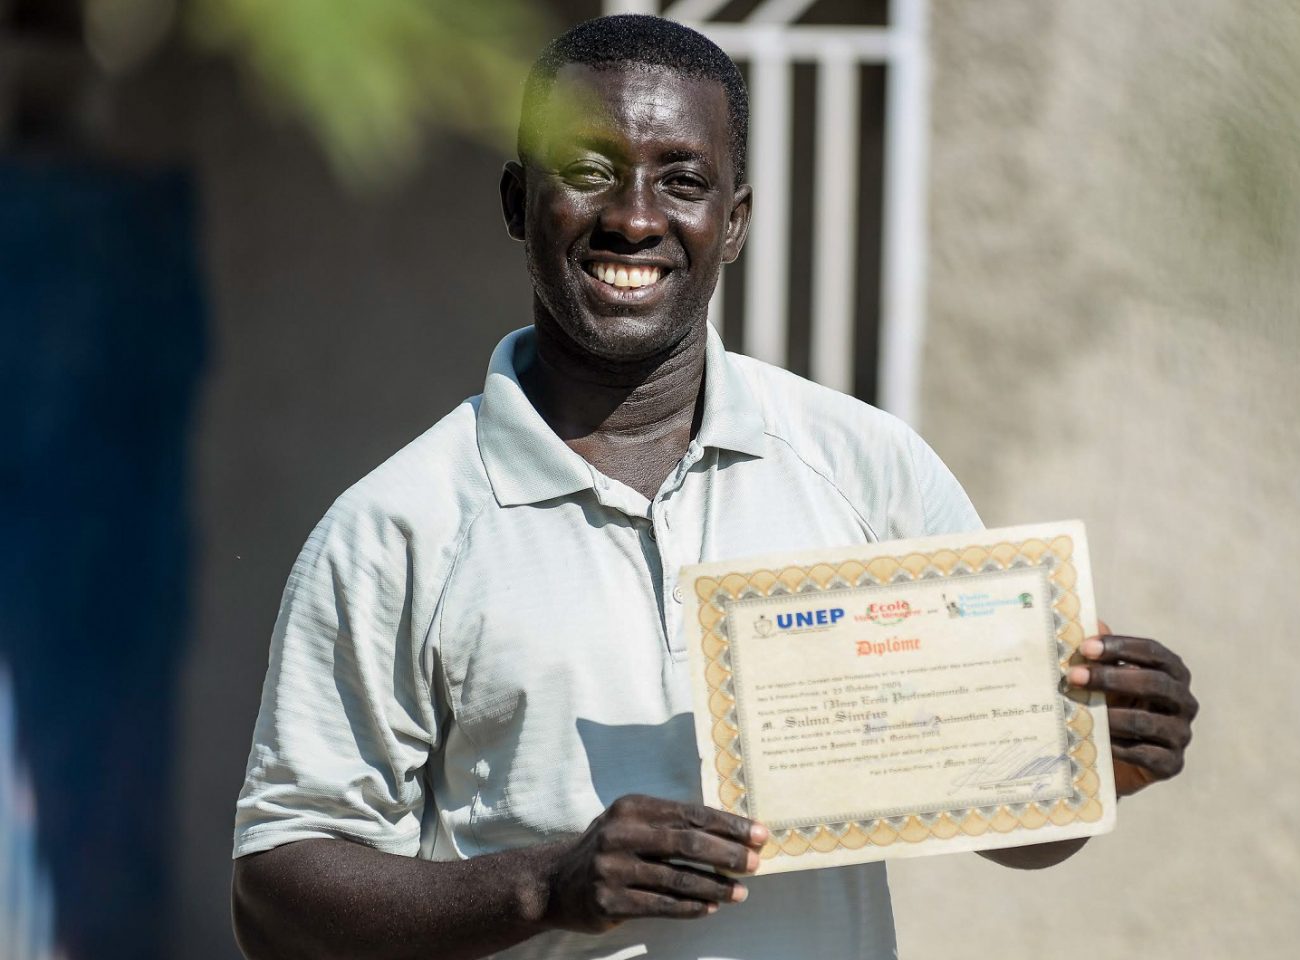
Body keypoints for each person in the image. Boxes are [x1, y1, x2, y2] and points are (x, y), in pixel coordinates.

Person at [231, 14, 1198, 960]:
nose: (635, 217)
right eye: (589, 172)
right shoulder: (396, 528)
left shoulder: (866, 467)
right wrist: (550, 885)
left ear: (732, 223)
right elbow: (275, 900)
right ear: (518, 202)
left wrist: (1101, 755)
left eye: (682, 181)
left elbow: (1017, 824)